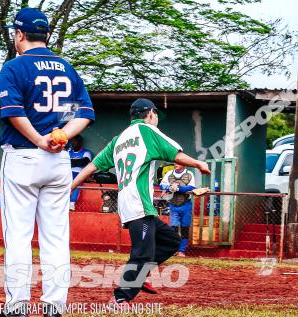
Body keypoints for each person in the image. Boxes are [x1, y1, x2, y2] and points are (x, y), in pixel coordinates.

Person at [0, 7, 95, 317]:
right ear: (47, 35)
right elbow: (85, 113)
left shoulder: (13, 67)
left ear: (19, 35)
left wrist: (40, 140)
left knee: (19, 236)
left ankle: (18, 307)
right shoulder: (67, 68)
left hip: (24, 157)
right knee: (55, 237)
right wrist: (62, 136)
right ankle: (54, 308)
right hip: (59, 161)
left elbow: (13, 112)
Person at [70, 98, 210, 305]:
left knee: (170, 241)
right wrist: (198, 163)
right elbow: (176, 155)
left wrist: (70, 187)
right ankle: (119, 299)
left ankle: (140, 276)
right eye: (155, 116)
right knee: (142, 253)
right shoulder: (146, 131)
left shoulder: (118, 140)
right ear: (150, 113)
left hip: (130, 204)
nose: (156, 120)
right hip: (138, 203)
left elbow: (92, 167)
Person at [159, 163, 196, 256]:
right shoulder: (169, 173)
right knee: (174, 227)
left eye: (178, 162)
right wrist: (169, 187)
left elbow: (192, 187)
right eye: (175, 162)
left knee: (185, 228)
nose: (175, 164)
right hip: (173, 204)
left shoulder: (189, 174)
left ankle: (181, 251)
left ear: (184, 164)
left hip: (186, 204)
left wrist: (179, 188)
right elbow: (161, 185)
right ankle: (174, 249)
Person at [67, 135, 93, 211]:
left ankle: (71, 203)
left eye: (75, 141)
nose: (73, 143)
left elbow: (83, 162)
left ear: (79, 142)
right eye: (71, 141)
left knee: (76, 182)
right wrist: (74, 162)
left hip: (79, 173)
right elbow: (61, 162)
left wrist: (70, 161)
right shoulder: (68, 151)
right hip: (67, 172)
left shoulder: (86, 152)